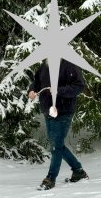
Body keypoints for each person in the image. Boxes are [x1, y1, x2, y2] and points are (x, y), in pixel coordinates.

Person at [28, 58, 89, 190]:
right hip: (48, 110)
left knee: (56, 145)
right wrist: (32, 90)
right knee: (58, 144)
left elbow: (79, 86)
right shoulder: (45, 64)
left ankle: (50, 179)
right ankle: (78, 171)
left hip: (64, 111)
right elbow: (37, 82)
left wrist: (59, 91)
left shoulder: (70, 64)